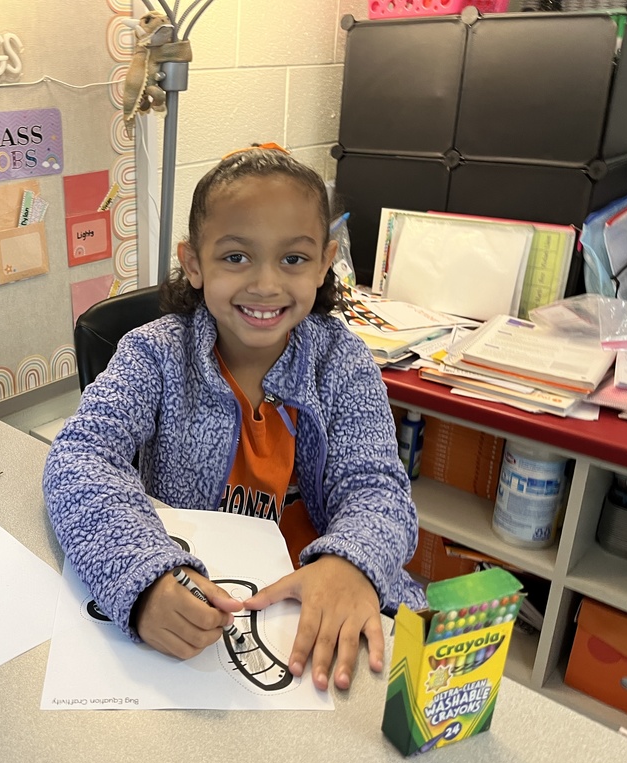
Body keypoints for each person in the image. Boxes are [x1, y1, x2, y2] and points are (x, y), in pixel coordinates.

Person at [43, 143, 425, 692]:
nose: (266, 284)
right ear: (193, 263)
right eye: (236, 257)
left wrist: (354, 563)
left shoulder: (340, 359)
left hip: (323, 602)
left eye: (292, 259)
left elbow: (378, 488)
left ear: (324, 262)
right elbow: (80, 458)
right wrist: (143, 577)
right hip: (203, 612)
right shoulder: (154, 354)